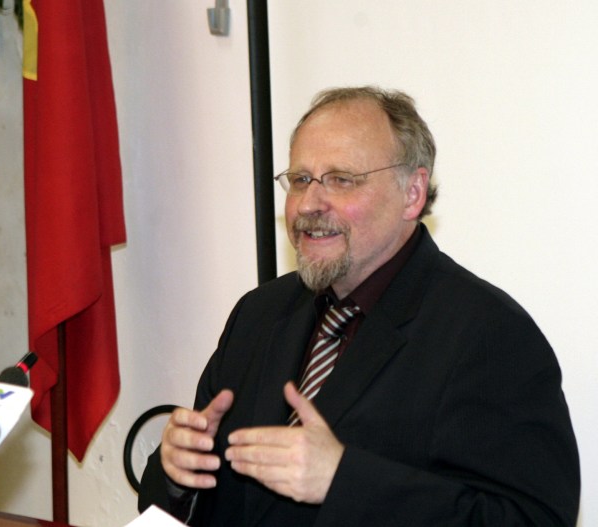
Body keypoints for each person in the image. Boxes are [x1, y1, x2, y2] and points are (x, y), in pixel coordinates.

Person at [138, 86, 580, 526]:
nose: (309, 204)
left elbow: (534, 519)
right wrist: (177, 472)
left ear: (412, 193)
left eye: (341, 179)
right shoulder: (258, 314)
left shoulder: (489, 335)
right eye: (300, 180)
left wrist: (342, 481)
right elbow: (192, 498)